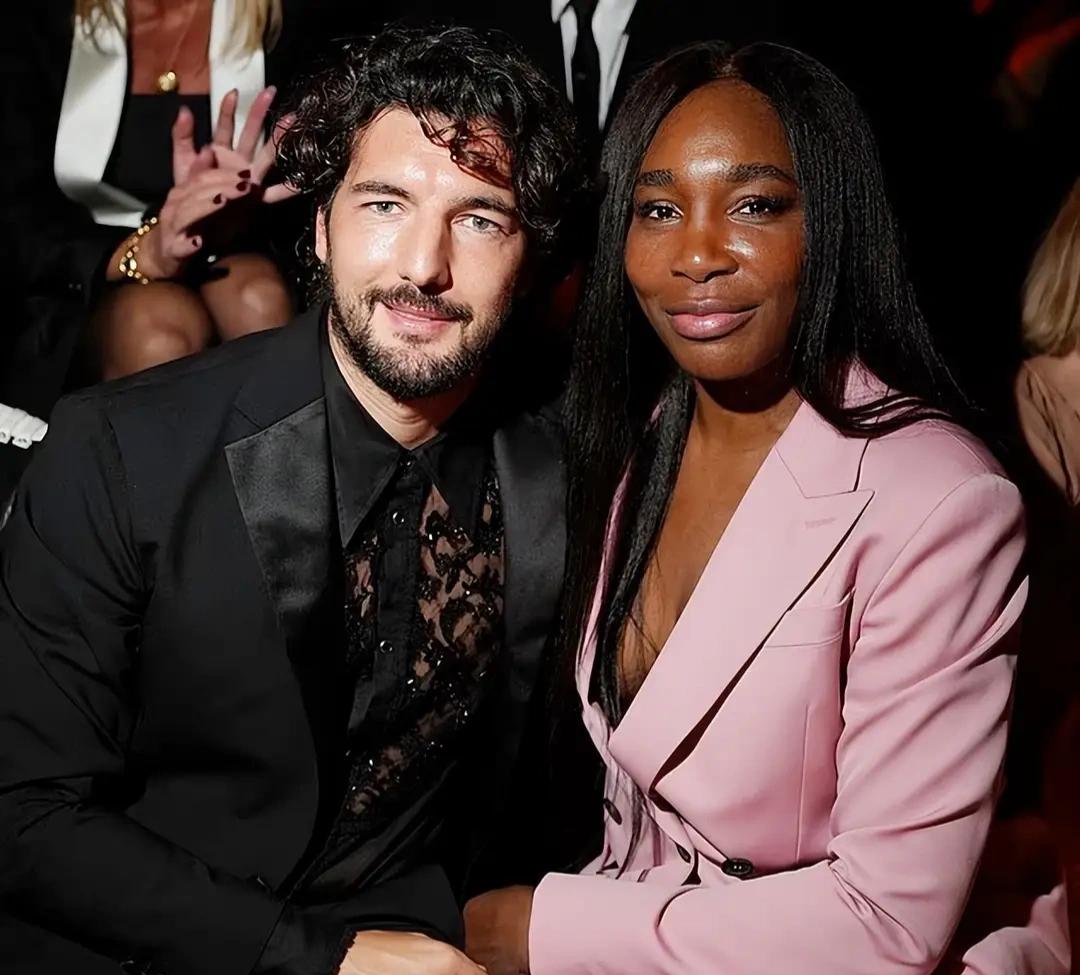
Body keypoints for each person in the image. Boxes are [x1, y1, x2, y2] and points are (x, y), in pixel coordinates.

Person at [0, 25, 581, 975]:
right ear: (319, 227)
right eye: (385, 204)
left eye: (480, 219)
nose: (424, 266)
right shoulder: (121, 451)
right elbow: (22, 813)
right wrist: (318, 957)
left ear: (528, 259)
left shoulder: (564, 471)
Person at [463, 40, 1028, 975]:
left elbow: (887, 922)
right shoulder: (639, 436)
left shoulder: (939, 500)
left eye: (755, 205)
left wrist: (542, 930)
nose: (696, 255)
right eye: (658, 210)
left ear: (830, 221)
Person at [0, 0, 339, 407]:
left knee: (258, 300)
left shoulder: (293, 23)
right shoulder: (39, 21)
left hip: (232, 245)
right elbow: (16, 216)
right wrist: (142, 252)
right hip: (85, 268)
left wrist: (240, 210)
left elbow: (327, 184)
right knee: (160, 332)